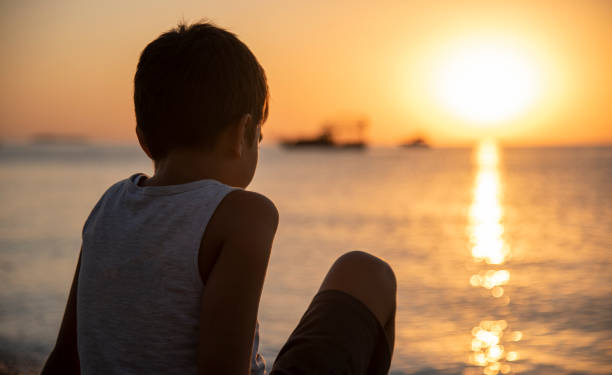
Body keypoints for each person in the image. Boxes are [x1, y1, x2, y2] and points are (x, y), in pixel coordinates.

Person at [42, 21, 396, 375]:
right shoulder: (244, 215)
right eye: (258, 137)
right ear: (242, 133)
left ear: (143, 139)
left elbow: (65, 358)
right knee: (366, 272)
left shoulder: (108, 206)